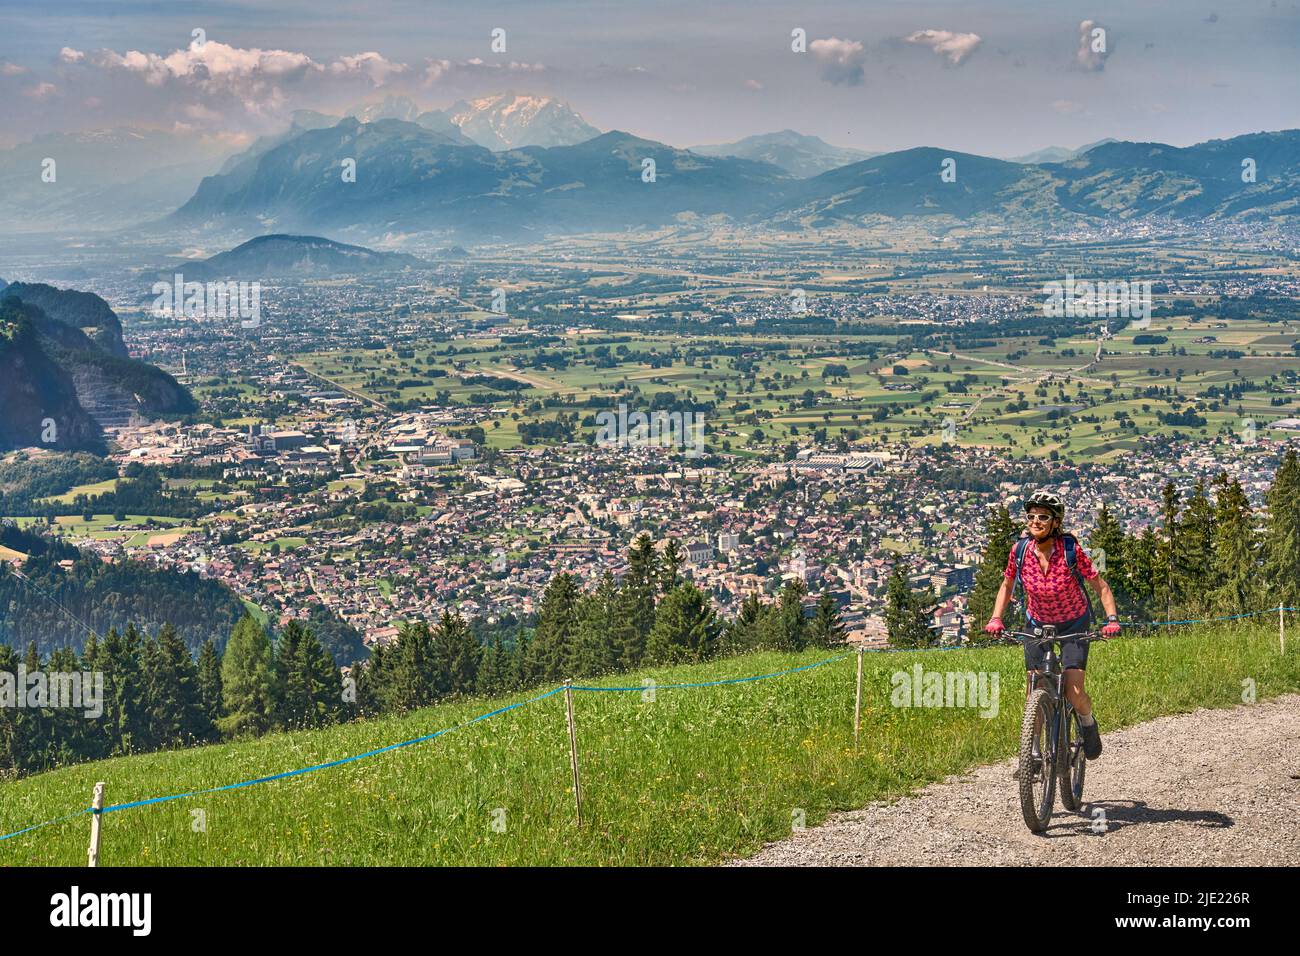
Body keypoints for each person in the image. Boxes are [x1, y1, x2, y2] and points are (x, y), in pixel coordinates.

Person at [983, 490, 1121, 768]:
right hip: (1037, 622)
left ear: (1055, 522)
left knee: (1073, 690)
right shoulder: (1019, 551)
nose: (1035, 521)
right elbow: (1007, 585)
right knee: (1034, 684)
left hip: (1074, 621)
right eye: (1031, 516)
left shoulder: (1072, 551)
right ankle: (1032, 754)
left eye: (1043, 516)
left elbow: (1101, 586)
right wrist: (996, 618)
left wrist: (1112, 619)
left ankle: (1086, 722)